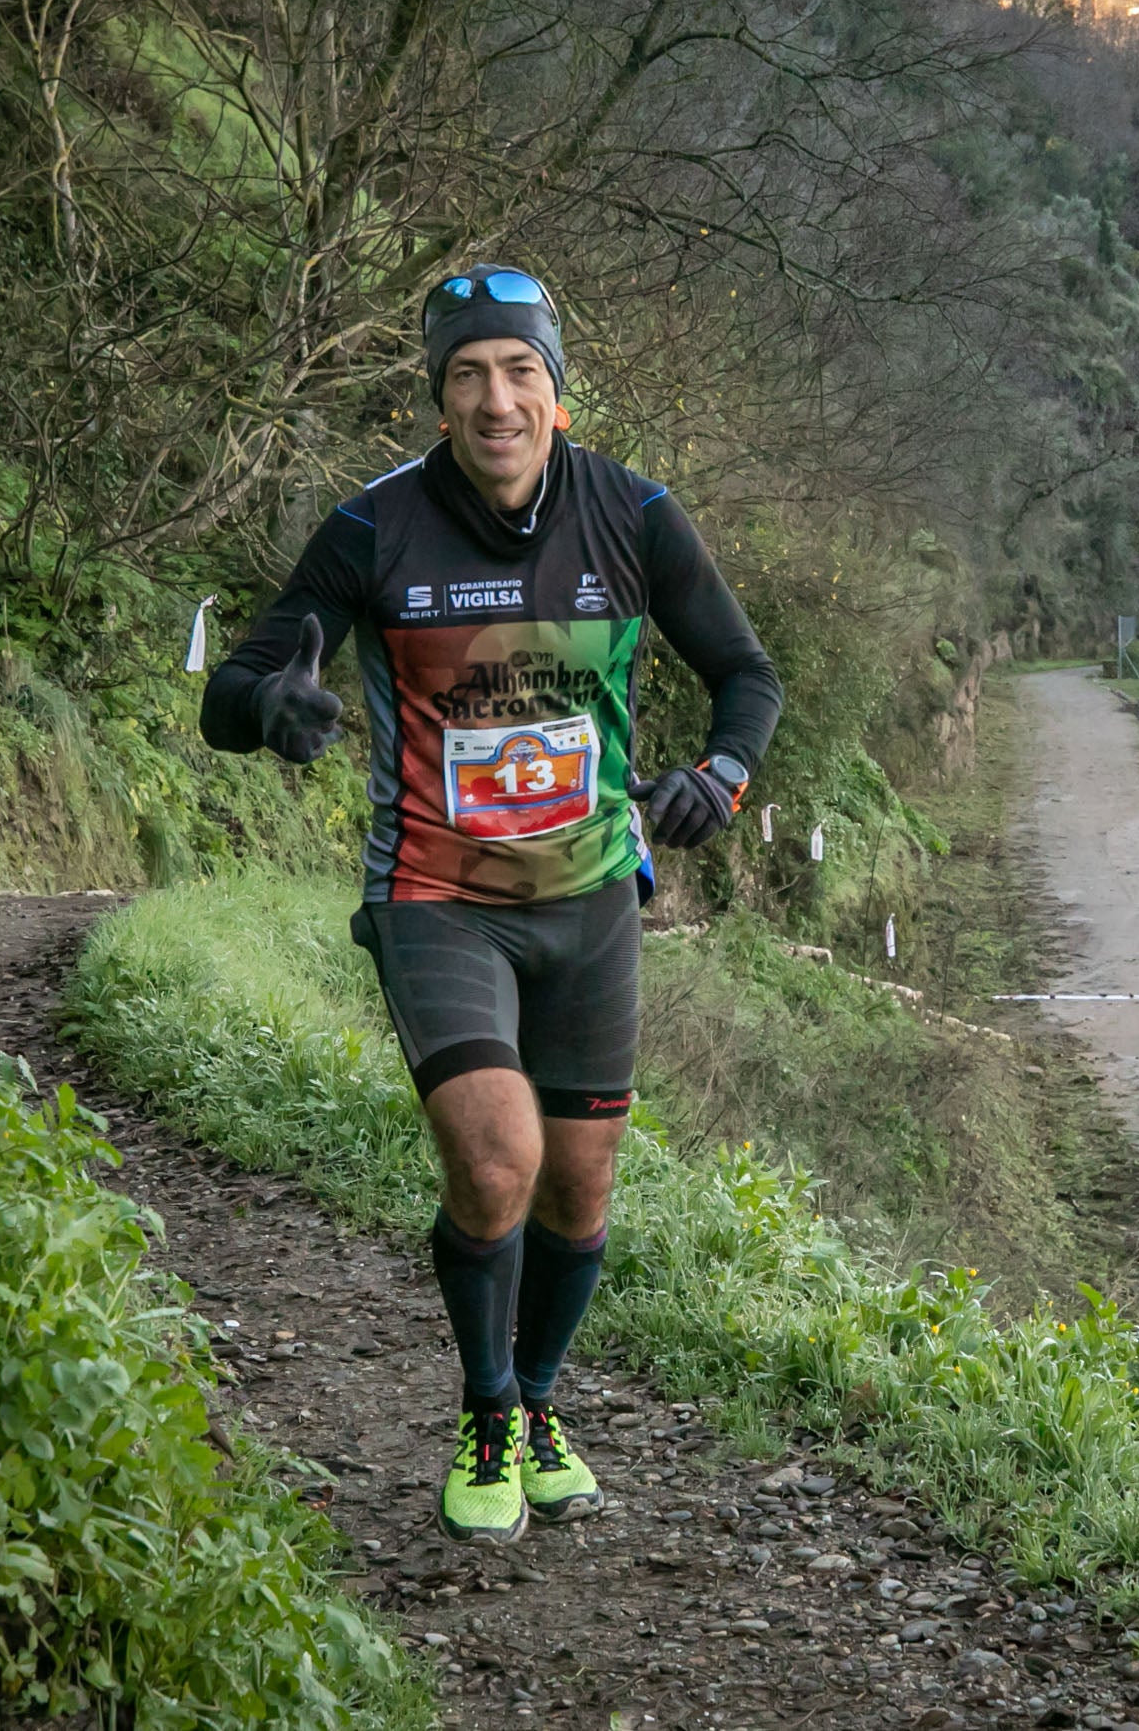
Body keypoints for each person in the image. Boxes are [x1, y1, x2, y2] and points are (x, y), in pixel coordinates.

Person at [201, 265, 781, 1542]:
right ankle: (485, 1407)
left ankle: (541, 1397)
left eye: (520, 370)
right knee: (496, 1159)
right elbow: (231, 687)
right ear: (439, 398)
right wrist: (275, 705)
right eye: (467, 373)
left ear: (557, 395)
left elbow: (745, 675)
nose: (495, 397)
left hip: (589, 900)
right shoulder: (376, 529)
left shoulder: (632, 514)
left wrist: (721, 778)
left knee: (578, 1192)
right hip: (435, 896)